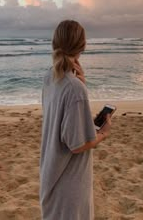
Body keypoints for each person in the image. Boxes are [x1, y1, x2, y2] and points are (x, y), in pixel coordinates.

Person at [40, 20, 112, 220]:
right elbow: (77, 145)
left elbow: (62, 123)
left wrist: (82, 84)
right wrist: (103, 134)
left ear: (55, 43)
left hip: (49, 174)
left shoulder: (50, 78)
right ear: (83, 46)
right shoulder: (74, 88)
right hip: (69, 182)